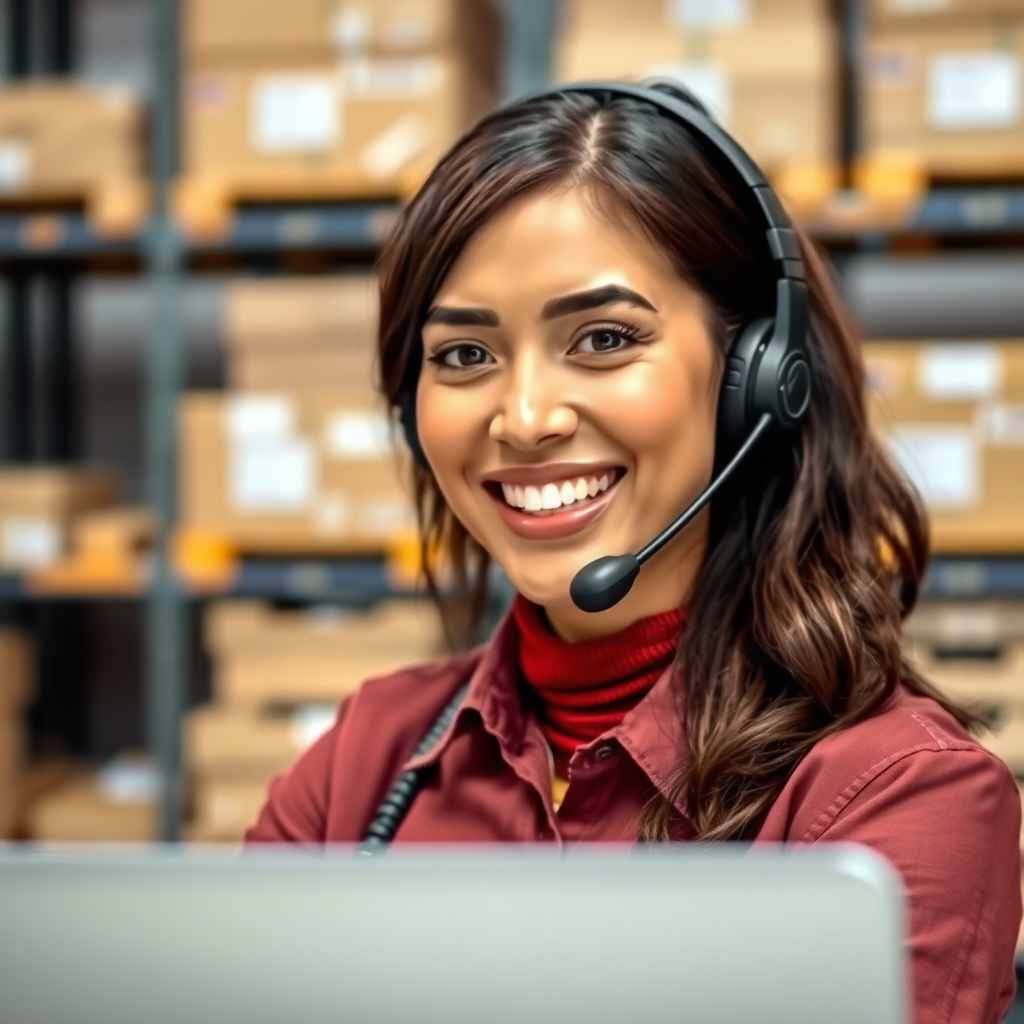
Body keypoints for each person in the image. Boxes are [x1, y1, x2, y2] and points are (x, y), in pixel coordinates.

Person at [245, 82, 1022, 1022]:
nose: (524, 419)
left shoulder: (895, 798)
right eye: (464, 355)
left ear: (755, 381)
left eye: (604, 339)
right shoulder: (367, 762)